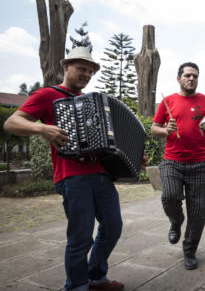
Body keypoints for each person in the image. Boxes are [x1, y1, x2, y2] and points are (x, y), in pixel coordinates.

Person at [3, 47, 124, 291]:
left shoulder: (92, 102)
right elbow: (11, 122)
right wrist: (42, 129)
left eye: (90, 71)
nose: (87, 74)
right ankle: (77, 285)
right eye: (82, 69)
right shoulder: (48, 95)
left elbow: (107, 142)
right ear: (65, 67)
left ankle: (96, 277)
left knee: (113, 227)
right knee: (80, 237)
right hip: (72, 177)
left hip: (101, 174)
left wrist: (126, 158)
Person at [151, 62, 205, 270]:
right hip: (172, 161)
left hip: (199, 163)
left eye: (195, 76)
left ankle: (189, 250)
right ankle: (176, 219)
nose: (192, 79)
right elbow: (154, 128)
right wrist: (166, 131)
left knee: (198, 211)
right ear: (179, 78)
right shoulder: (168, 101)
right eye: (188, 75)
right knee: (169, 196)